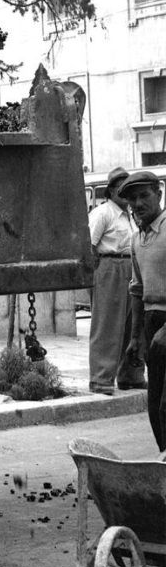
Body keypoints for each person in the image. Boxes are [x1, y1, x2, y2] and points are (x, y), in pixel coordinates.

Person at [87, 166, 146, 395]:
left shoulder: (131, 216)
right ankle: (101, 379)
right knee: (108, 324)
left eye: (127, 188)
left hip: (131, 266)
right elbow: (89, 245)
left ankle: (130, 376)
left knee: (134, 324)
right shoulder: (103, 213)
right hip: (109, 266)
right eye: (119, 188)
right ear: (110, 192)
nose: (123, 193)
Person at [121, 171, 166, 451]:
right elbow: (137, 290)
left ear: (159, 194)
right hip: (152, 324)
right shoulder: (137, 240)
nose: (138, 204)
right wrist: (136, 337)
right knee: (154, 407)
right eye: (132, 200)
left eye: (143, 196)